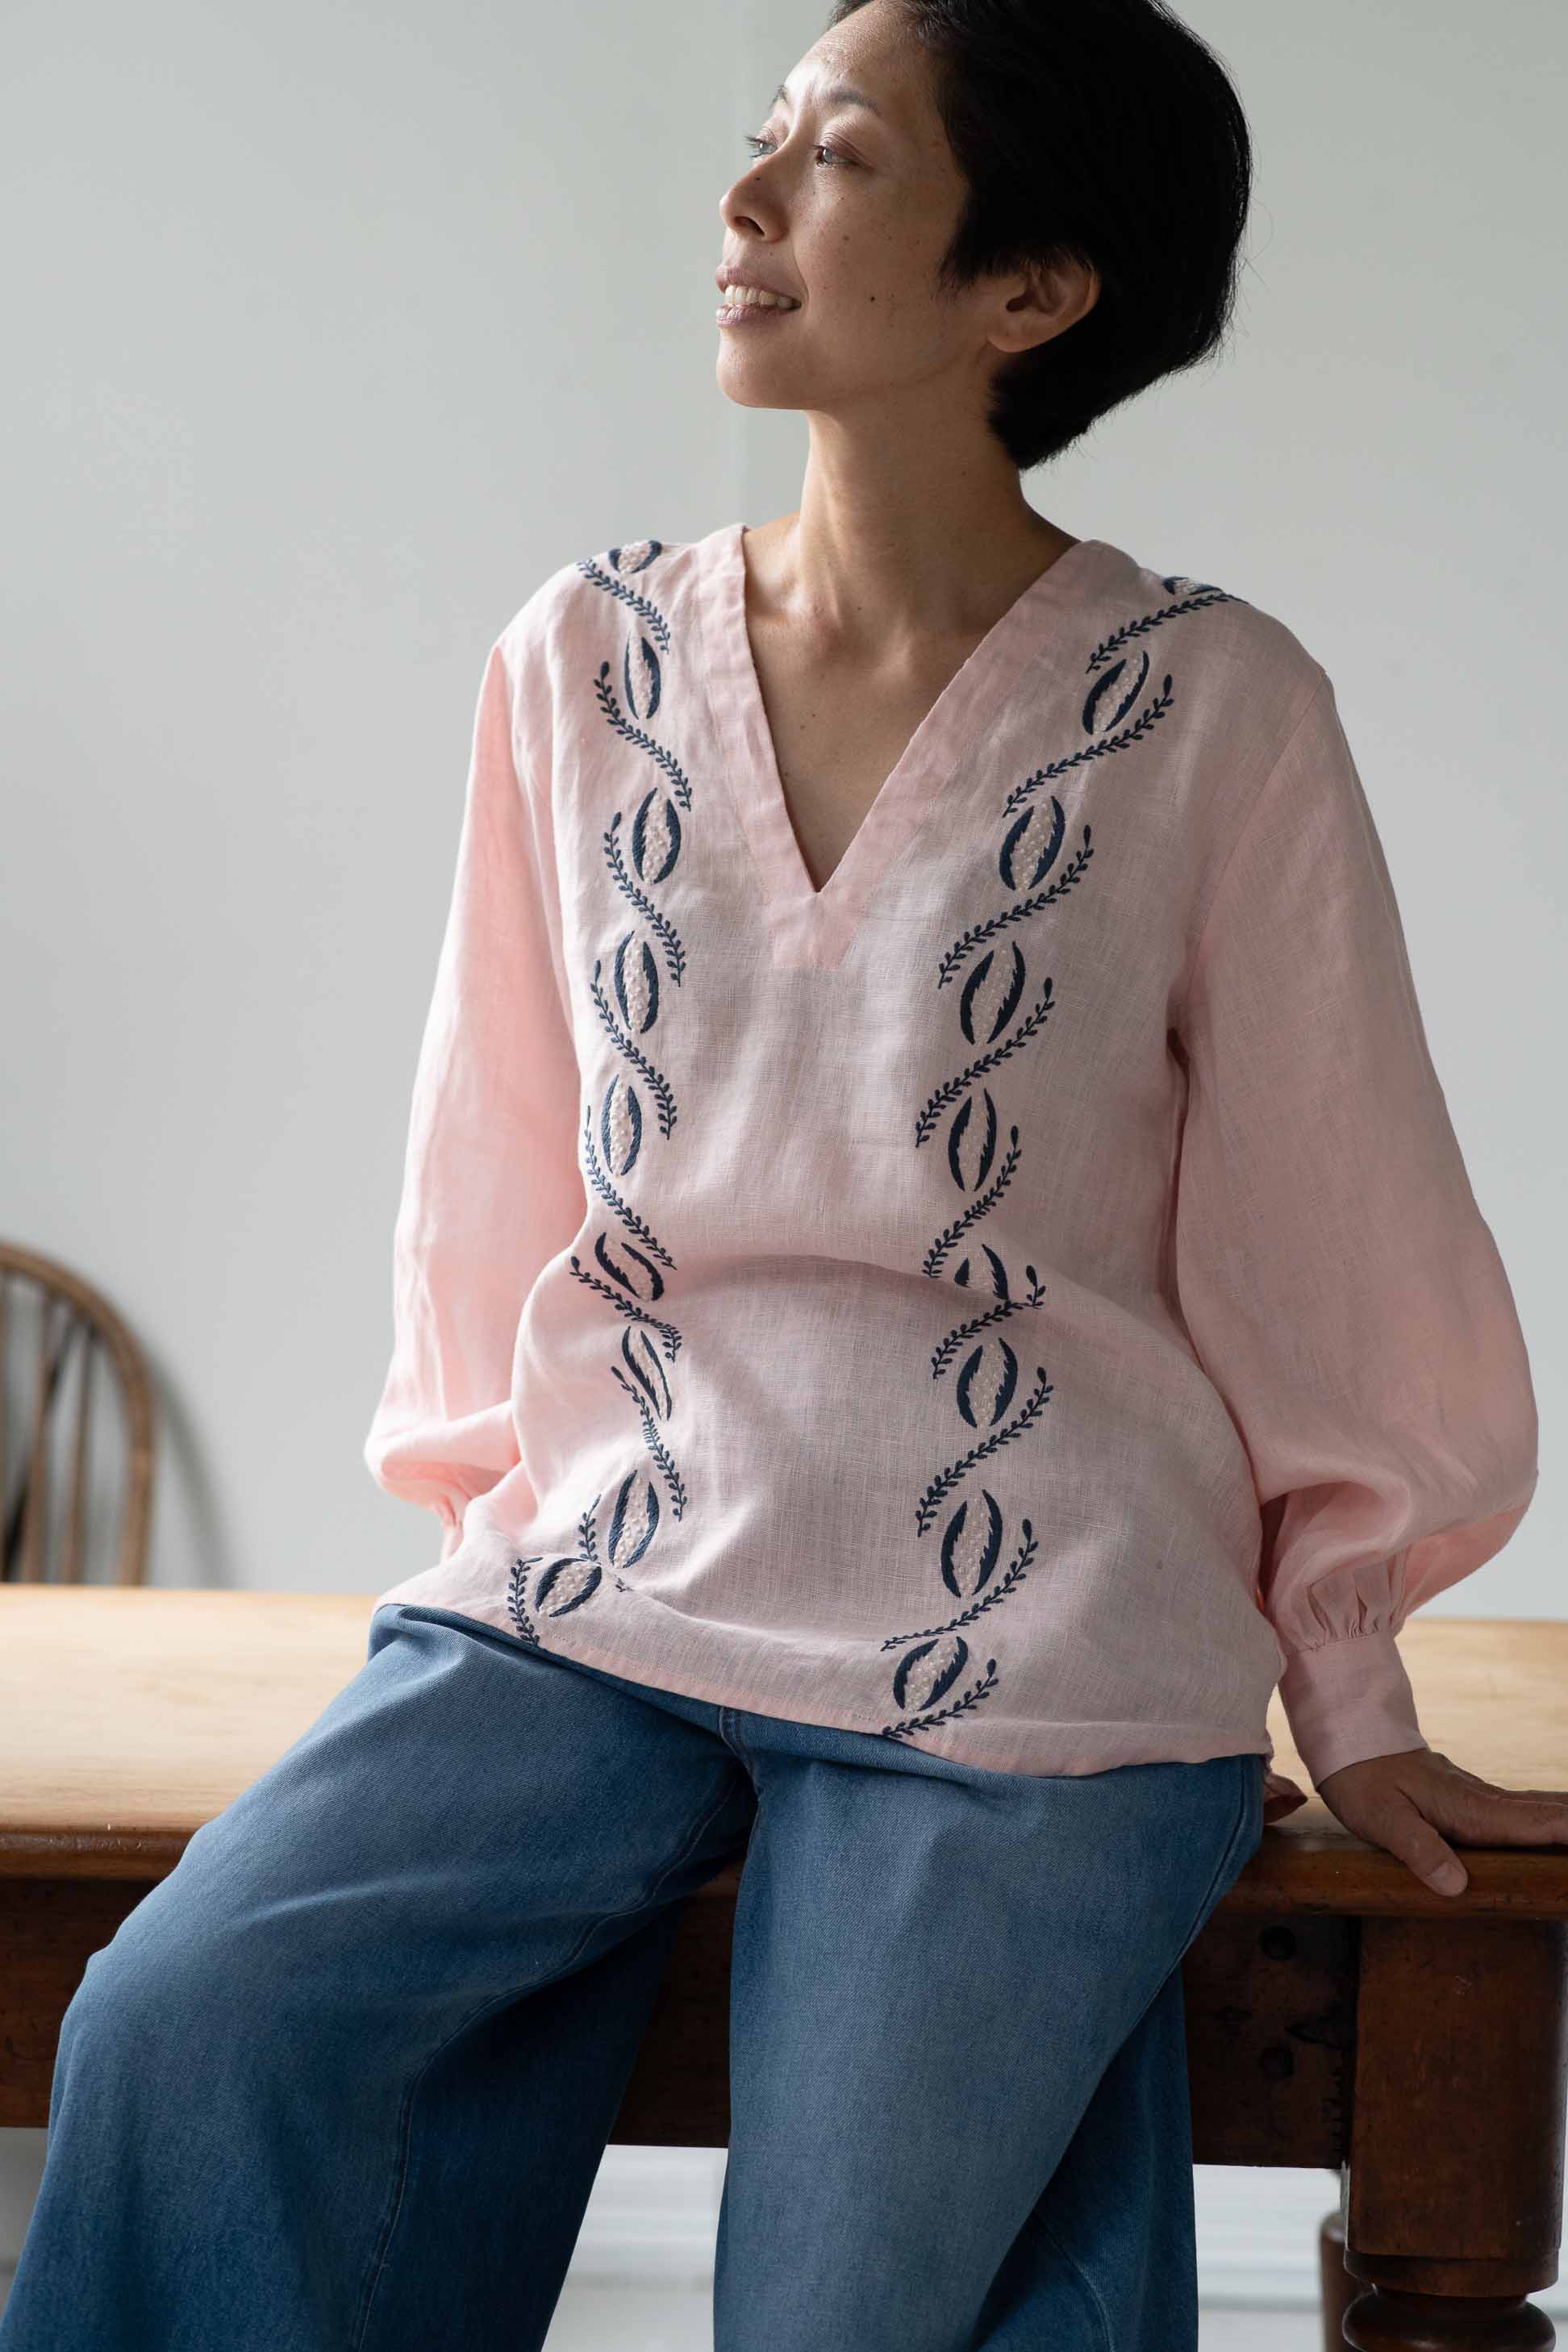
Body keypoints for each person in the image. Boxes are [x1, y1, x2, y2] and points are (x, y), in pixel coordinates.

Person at [4, 2, 1556, 2348]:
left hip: (1038, 1643)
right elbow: (494, 1165)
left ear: (1030, 289)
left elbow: (1332, 1230)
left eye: (834, 156)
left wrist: (1347, 1679)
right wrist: (484, 1580)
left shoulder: (1216, 710)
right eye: (763, 139)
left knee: (858, 2308)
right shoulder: (581, 658)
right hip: (602, 1595)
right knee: (183, 2027)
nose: (742, 201)